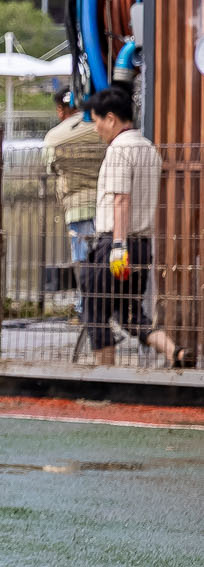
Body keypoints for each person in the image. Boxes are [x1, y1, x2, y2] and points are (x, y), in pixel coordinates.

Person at [82, 87, 185, 367]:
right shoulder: (148, 149)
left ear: (112, 118)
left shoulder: (119, 150)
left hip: (115, 247)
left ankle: (105, 375)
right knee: (131, 316)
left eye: (97, 121)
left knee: (96, 311)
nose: (96, 128)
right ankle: (176, 352)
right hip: (142, 246)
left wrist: (117, 245)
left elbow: (121, 200)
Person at [42, 89, 106, 264]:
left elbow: (50, 169)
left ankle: (86, 290)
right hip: (107, 204)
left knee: (83, 261)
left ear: (60, 110)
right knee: (106, 259)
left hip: (76, 207)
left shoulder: (54, 137)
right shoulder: (102, 128)